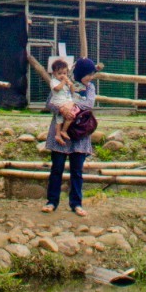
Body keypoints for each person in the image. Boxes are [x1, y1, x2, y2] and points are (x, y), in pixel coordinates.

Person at [32, 50, 97, 215]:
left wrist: (70, 106)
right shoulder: (62, 79)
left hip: (79, 133)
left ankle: (76, 203)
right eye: (88, 74)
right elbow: (49, 102)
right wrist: (62, 108)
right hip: (60, 130)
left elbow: (88, 104)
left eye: (91, 75)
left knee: (77, 170)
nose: (90, 78)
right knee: (57, 168)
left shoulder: (90, 88)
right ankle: (52, 201)